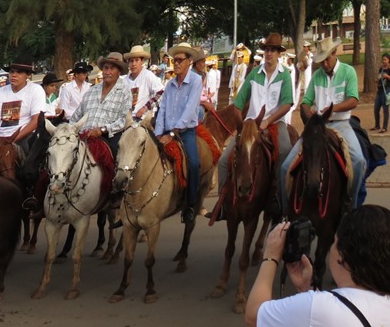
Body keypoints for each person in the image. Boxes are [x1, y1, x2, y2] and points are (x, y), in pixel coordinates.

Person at [244, 206, 390, 327]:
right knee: (284, 171)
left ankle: (346, 201)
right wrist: (308, 290)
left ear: (342, 255)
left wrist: (271, 256)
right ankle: (284, 206)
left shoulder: (320, 307)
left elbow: (253, 316)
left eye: (334, 242)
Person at [280, 37, 367, 210]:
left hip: (341, 124)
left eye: (327, 59)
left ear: (334, 53)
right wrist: (307, 112)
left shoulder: (348, 71)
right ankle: (285, 210)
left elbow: (353, 100)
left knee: (358, 161)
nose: (324, 64)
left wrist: (332, 109)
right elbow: (306, 102)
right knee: (285, 167)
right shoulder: (317, 76)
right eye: (321, 61)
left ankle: (352, 204)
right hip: (318, 127)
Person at [216, 32, 295, 218]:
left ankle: (280, 199)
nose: (269, 54)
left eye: (273, 50)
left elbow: (287, 104)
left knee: (285, 151)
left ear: (279, 54)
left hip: (275, 123)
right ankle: (223, 203)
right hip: (251, 125)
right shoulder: (253, 74)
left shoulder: (285, 76)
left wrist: (268, 120)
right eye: (267, 50)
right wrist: (240, 125)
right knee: (222, 162)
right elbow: (238, 104)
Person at [155, 42, 203, 223]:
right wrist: (159, 134)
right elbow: (163, 110)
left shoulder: (196, 81)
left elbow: (190, 110)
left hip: (185, 131)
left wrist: (173, 134)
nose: (176, 64)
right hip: (166, 130)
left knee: (194, 164)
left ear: (189, 62)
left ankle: (191, 204)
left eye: (180, 60)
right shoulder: (170, 84)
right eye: (174, 60)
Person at [70, 52, 132, 161]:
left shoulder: (124, 91)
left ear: (119, 72)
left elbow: (124, 120)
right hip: (84, 137)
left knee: (115, 160)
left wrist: (103, 129)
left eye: (112, 69)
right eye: (105, 68)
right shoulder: (92, 90)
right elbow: (76, 116)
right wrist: (69, 129)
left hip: (108, 137)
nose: (108, 72)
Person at [0, 62, 45, 145]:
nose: (14, 75)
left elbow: (36, 120)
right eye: (12, 72)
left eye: (19, 72)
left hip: (25, 137)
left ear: (28, 75)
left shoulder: (35, 90)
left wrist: (13, 140)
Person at [124, 46, 164, 119]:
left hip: (142, 119)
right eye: (131, 61)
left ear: (142, 61)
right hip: (126, 119)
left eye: (136, 60)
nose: (133, 64)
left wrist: (145, 107)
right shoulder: (125, 80)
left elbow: (161, 92)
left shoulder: (147, 75)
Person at [374, 53, 390, 133]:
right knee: (376, 108)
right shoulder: (381, 69)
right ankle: (377, 125)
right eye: (383, 60)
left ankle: (384, 127)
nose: (384, 61)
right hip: (379, 90)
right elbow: (379, 77)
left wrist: (387, 77)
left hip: (386, 90)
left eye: (385, 60)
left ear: (389, 60)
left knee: (385, 109)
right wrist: (377, 80)